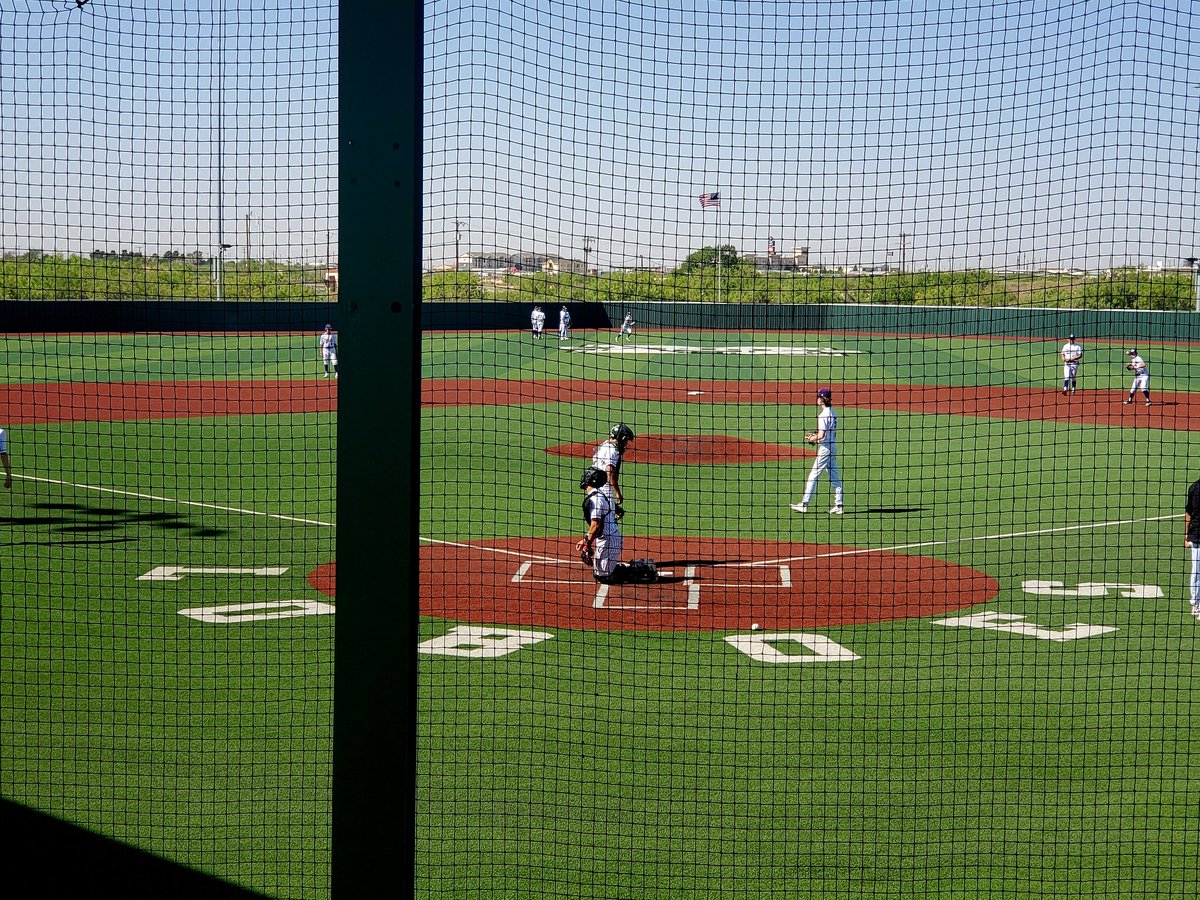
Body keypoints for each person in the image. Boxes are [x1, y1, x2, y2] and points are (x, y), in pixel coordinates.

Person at [575, 466, 656, 584]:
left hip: (609, 540)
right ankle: (630, 567)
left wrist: (587, 544)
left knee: (604, 577)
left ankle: (643, 569)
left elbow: (596, 525)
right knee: (600, 574)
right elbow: (598, 525)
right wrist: (586, 539)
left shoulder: (596, 499)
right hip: (607, 538)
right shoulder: (597, 495)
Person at [790, 386, 844, 514]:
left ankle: (804, 504)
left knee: (813, 475)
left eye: (819, 397)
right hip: (832, 447)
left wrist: (812, 438)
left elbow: (821, 436)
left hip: (825, 449)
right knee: (835, 477)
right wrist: (816, 437)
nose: (817, 399)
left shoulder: (823, 415)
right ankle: (839, 505)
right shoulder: (833, 413)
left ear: (823, 399)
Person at [591, 423, 634, 515]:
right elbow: (610, 472)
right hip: (605, 489)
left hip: (595, 487)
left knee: (599, 523)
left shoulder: (604, 445)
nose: (626, 443)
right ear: (621, 438)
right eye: (626, 440)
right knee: (608, 527)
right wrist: (618, 493)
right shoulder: (613, 450)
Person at [1186, 476, 1200, 619]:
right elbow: (1189, 513)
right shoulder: (1195, 488)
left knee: (1197, 571)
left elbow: (1188, 513)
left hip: (1196, 534)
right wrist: (1186, 535)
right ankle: (1196, 604)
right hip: (1197, 536)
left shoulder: (1194, 487)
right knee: (1197, 571)